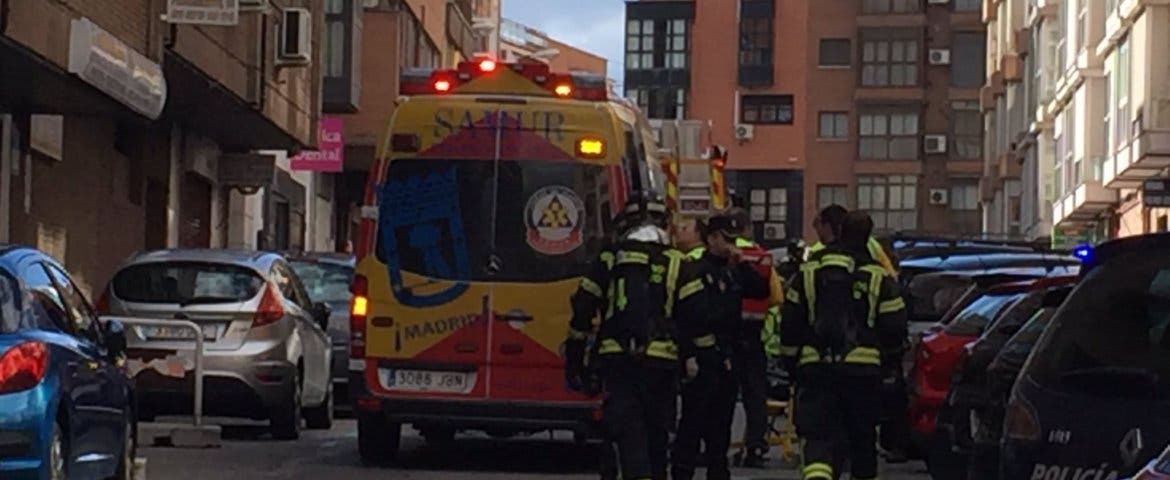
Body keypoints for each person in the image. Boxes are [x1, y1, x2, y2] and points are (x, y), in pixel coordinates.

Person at [564, 191, 707, 480]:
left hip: (617, 361)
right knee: (657, 435)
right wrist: (693, 359)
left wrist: (575, 358)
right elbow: (694, 317)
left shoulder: (610, 257)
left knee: (628, 435)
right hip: (662, 365)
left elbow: (583, 307)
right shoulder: (677, 262)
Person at [780, 211, 908, 480]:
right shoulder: (878, 277)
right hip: (863, 376)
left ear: (837, 232)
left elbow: (790, 323)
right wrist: (887, 367)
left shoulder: (809, 272)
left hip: (816, 371)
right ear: (868, 237)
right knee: (862, 442)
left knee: (818, 441)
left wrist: (792, 364)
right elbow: (895, 330)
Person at [672, 212, 771, 480]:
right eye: (725, 239)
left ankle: (718, 472)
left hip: (728, 360)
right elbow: (685, 318)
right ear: (712, 238)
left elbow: (761, 290)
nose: (730, 245)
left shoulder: (732, 270)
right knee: (691, 427)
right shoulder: (695, 271)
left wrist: (742, 264)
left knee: (721, 429)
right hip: (702, 362)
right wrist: (689, 355)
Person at [725, 207, 784, 468]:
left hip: (723, 334)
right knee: (755, 395)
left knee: (721, 395)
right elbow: (775, 298)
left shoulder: (715, 253)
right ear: (748, 229)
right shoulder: (762, 258)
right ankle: (756, 447)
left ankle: (716, 444)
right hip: (754, 334)